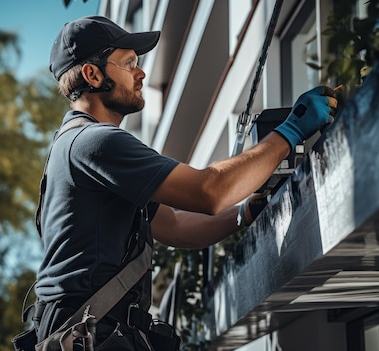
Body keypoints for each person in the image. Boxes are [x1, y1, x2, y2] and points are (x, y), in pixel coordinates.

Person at [33, 15, 337, 350]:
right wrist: (291, 132)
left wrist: (246, 212)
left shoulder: (76, 146)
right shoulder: (95, 143)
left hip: (87, 330)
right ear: (93, 74)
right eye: (129, 62)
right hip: (90, 332)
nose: (141, 72)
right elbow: (209, 191)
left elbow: (176, 225)